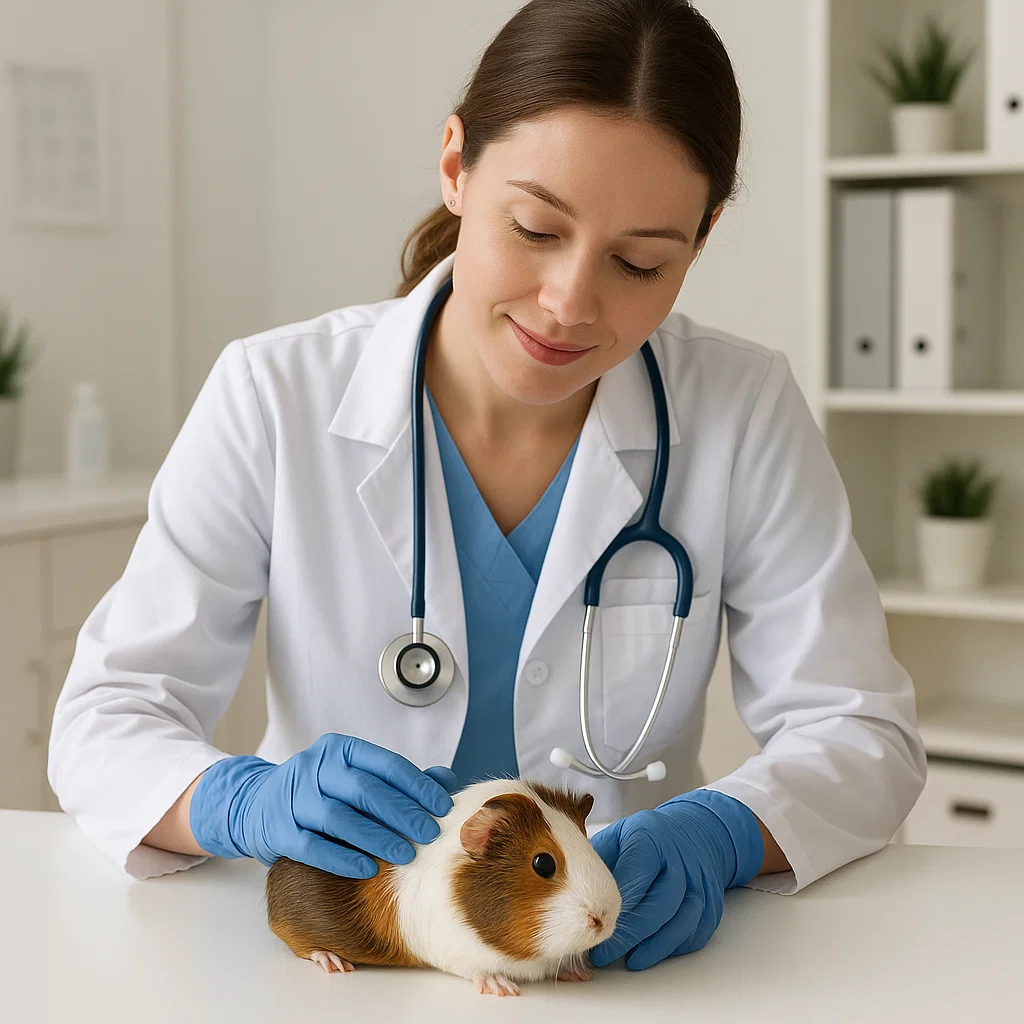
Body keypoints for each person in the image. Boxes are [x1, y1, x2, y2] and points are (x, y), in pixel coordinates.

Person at [47, 0, 926, 972]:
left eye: (639, 262)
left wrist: (722, 832)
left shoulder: (741, 409)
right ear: (456, 166)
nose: (570, 303)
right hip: (348, 963)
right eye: (535, 227)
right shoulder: (274, 394)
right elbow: (107, 719)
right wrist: (237, 801)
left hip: (615, 958)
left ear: (703, 234)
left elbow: (859, 729)